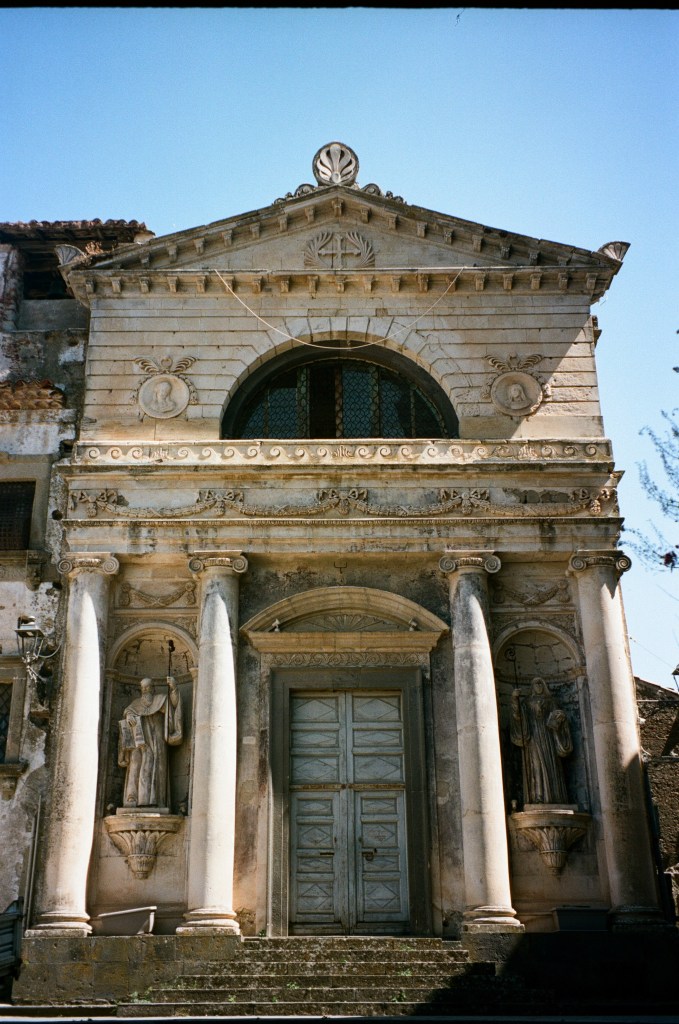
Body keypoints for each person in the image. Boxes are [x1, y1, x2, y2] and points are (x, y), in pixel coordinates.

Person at [118, 676, 183, 808]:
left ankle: (155, 800)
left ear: (153, 688)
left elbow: (174, 707)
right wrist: (129, 716)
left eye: (147, 687)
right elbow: (128, 712)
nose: (145, 690)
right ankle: (132, 798)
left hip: (156, 738)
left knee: (155, 766)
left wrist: (174, 688)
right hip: (139, 739)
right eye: (143, 688)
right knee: (135, 765)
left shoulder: (161, 699)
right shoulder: (136, 704)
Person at [510, 677, 572, 804]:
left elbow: (559, 717)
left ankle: (556, 797)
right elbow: (518, 717)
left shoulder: (551, 701)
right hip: (533, 737)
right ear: (532, 686)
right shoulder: (526, 702)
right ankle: (537, 797)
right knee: (536, 766)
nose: (538, 685)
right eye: (535, 683)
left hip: (550, 737)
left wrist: (560, 717)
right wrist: (515, 699)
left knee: (552, 765)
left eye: (540, 683)